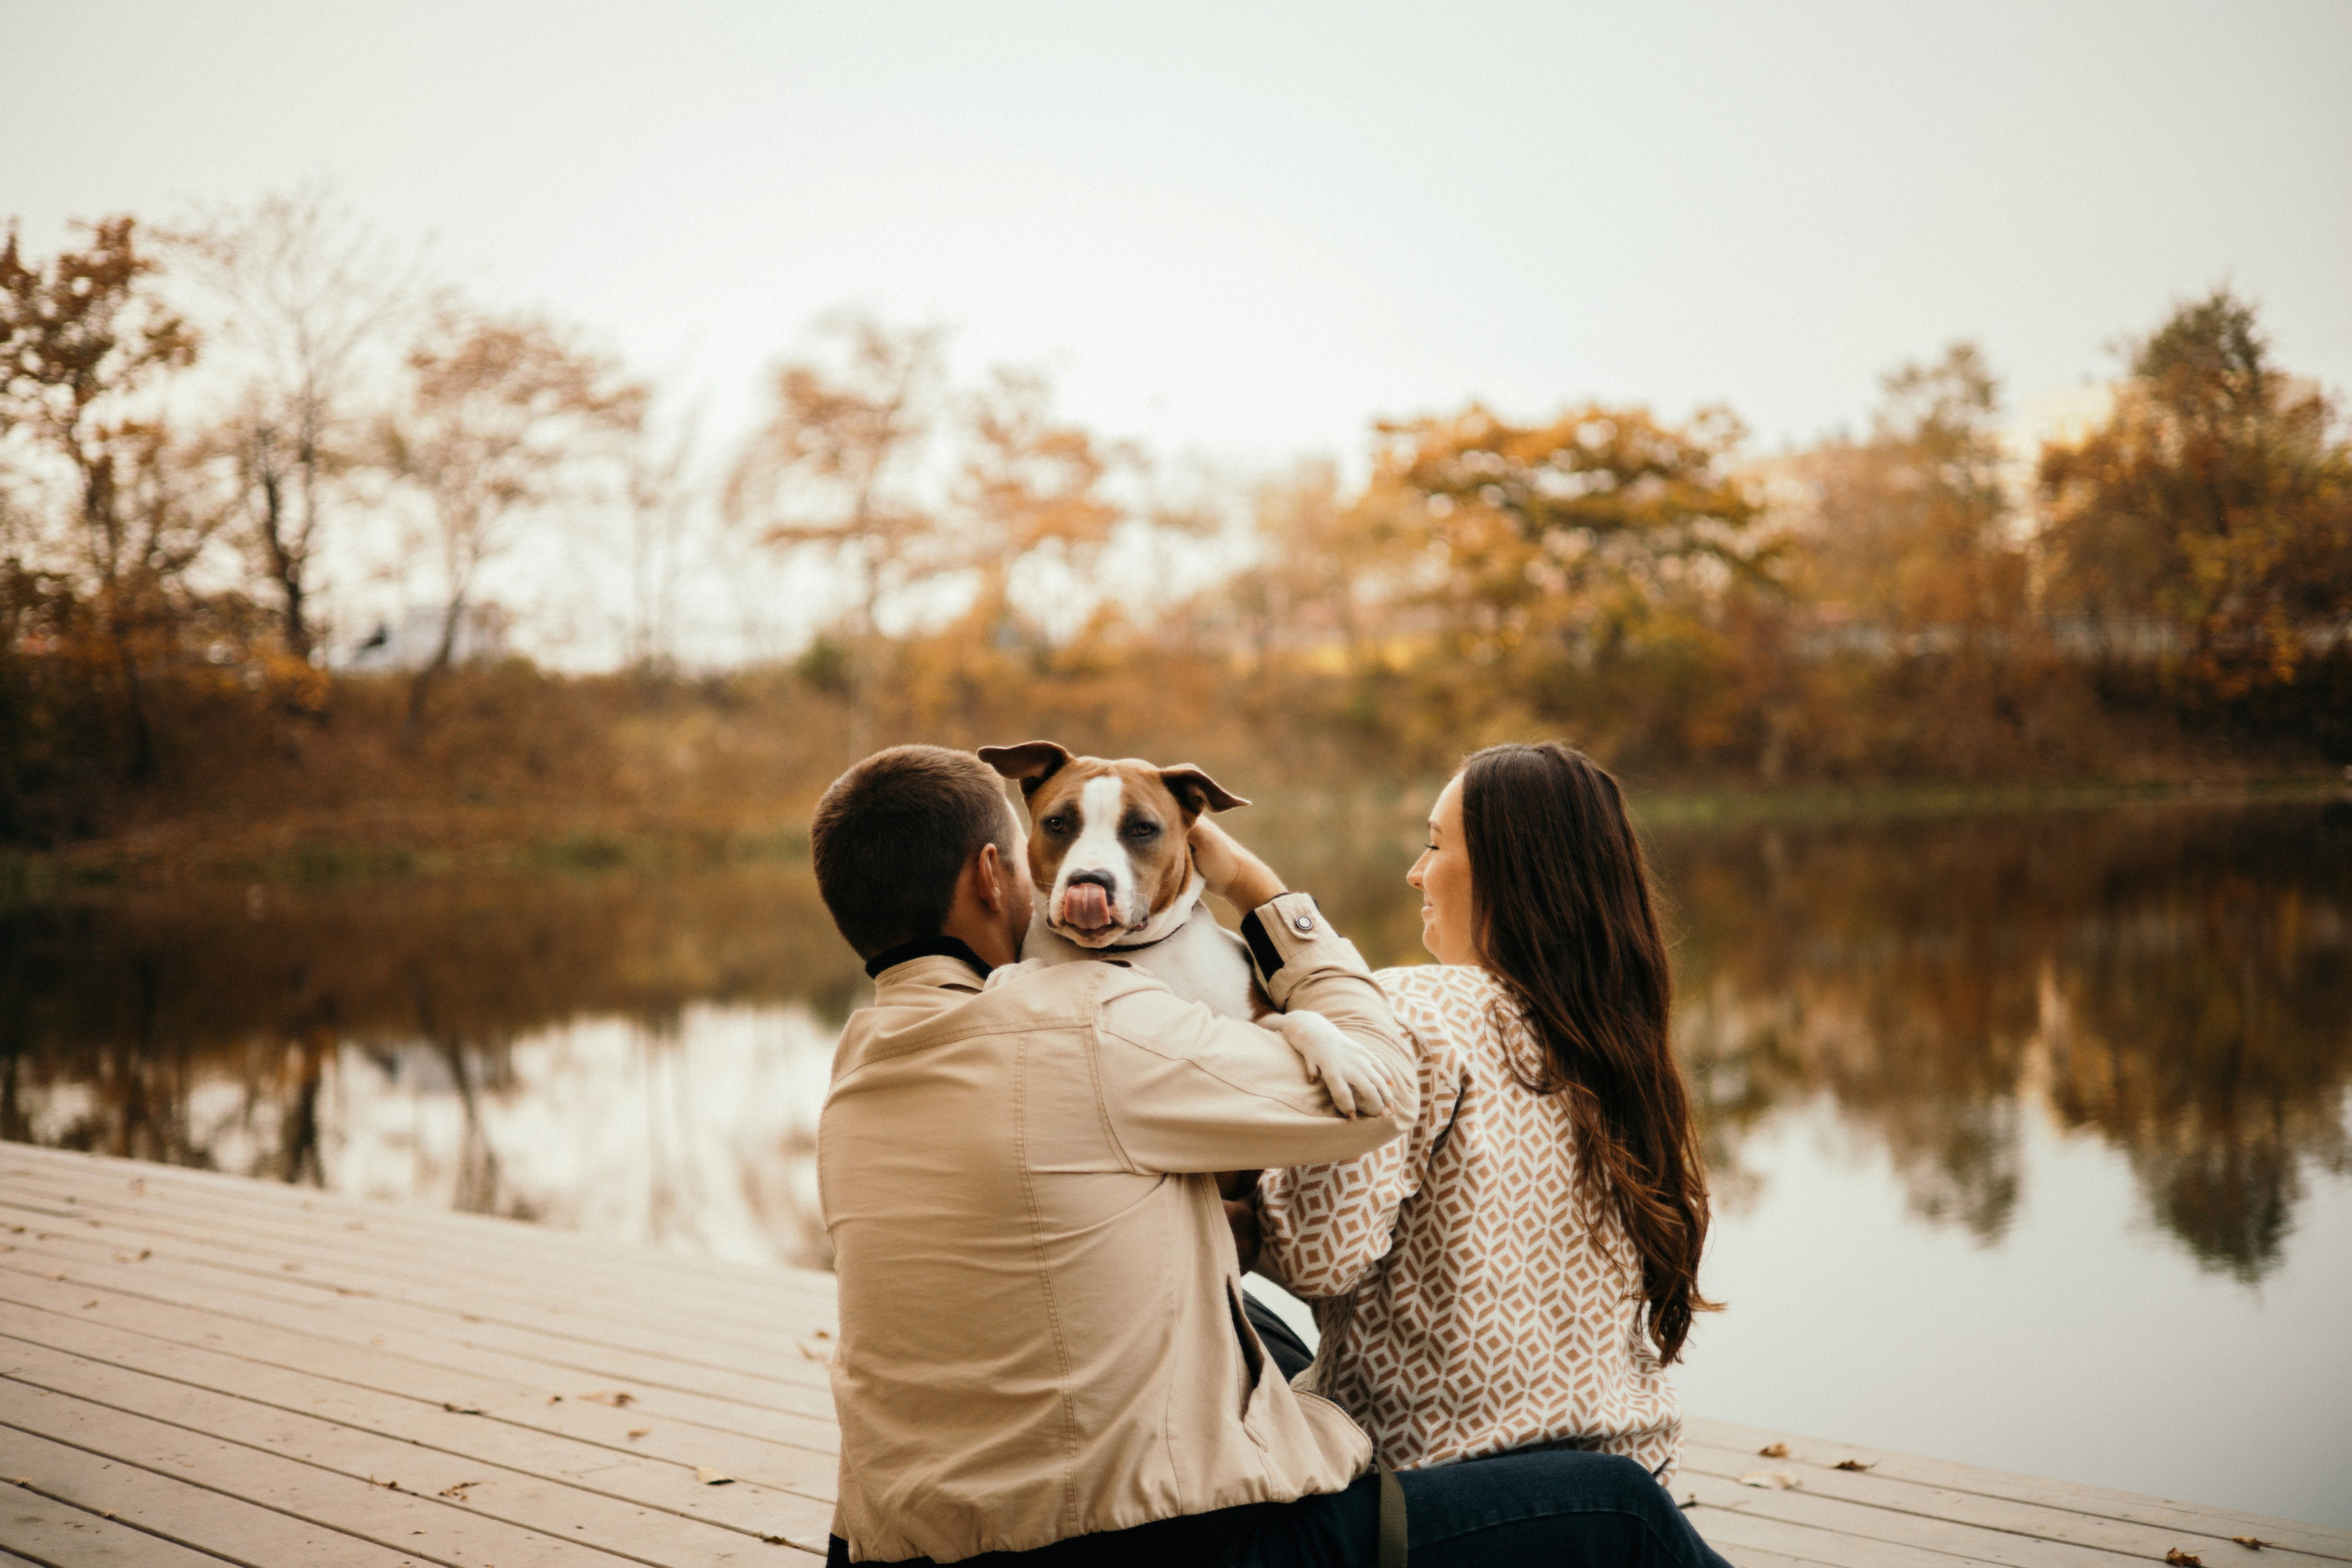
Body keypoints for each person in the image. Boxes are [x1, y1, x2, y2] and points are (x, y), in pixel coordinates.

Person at [810, 744, 1731, 1567]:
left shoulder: (857, 1070)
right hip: (1137, 1536)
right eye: (1032, 850)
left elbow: (1300, 1244)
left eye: (1432, 844)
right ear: (988, 874)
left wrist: (1225, 1220)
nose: (1415, 871)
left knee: (1250, 1315)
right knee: (1621, 1509)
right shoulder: (1630, 1055)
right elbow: (1373, 1089)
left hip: (899, 1532)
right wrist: (1266, 898)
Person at [1250, 742, 1717, 1487]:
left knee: (1220, 1306)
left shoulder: (1413, 1009)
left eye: (1435, 844)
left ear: (1511, 870)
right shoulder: (1617, 1040)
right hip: (1628, 1461)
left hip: (1434, 1483)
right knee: (1258, 1331)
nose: (1415, 870)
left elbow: (1317, 1251)